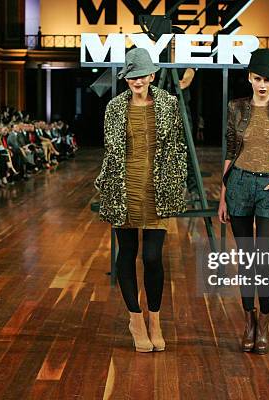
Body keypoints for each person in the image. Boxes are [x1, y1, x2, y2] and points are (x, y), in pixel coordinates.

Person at [94, 48, 187, 352]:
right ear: (127, 78)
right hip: (124, 186)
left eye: (142, 74)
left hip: (157, 188)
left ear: (152, 75)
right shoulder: (114, 107)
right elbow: (110, 151)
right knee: (128, 251)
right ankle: (135, 319)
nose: (138, 80)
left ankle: (155, 319)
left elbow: (178, 147)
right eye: (132, 75)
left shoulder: (169, 104)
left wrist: (177, 183)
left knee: (152, 257)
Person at [218, 49, 269, 355]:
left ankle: (264, 324)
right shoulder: (236, 108)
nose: (262, 85)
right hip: (238, 184)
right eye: (257, 78)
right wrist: (223, 197)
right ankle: (249, 322)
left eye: (267, 80)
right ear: (249, 78)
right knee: (247, 261)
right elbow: (229, 152)